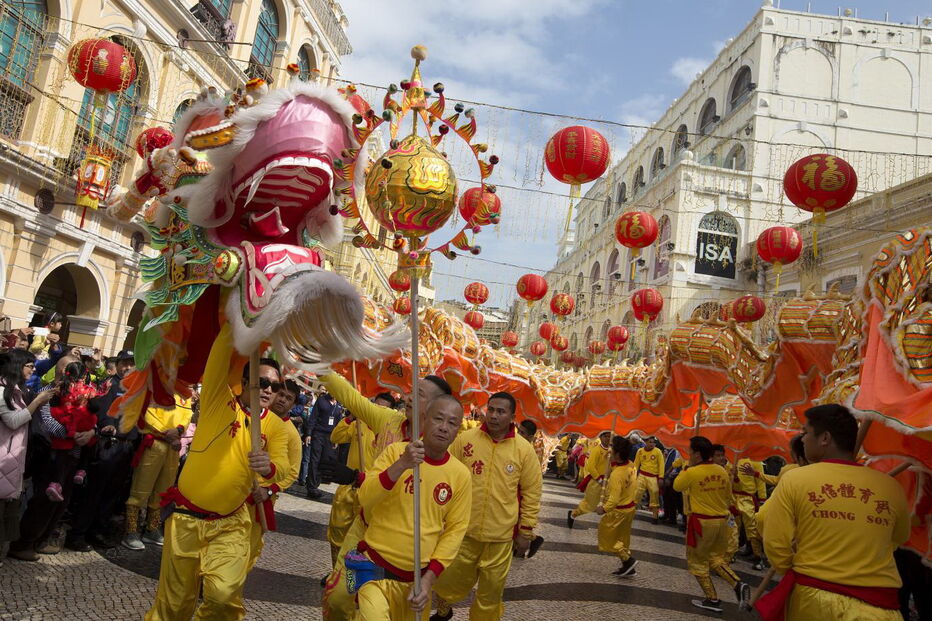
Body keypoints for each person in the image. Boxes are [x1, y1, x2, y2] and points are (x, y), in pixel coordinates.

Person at [144, 324, 293, 620]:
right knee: (173, 605)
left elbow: (284, 467)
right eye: (262, 381)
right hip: (186, 518)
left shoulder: (278, 426)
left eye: (275, 387)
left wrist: (270, 468)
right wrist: (240, 316)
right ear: (245, 380)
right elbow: (218, 356)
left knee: (224, 597)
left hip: (232, 523)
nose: (267, 390)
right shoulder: (217, 400)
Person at [317, 371, 453, 621]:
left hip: (405, 548)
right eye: (412, 391)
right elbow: (351, 398)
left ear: (437, 406)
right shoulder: (388, 420)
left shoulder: (442, 449)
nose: (410, 397)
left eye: (419, 394)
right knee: (339, 596)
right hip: (362, 535)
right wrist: (319, 365)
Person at [756, 404, 910, 621]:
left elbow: (775, 543)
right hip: (881, 610)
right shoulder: (891, 487)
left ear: (825, 438)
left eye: (806, 432)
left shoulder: (795, 479)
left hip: (815, 601)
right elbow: (898, 538)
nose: (802, 439)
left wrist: (795, 567)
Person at [348, 395, 471, 620]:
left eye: (452, 423)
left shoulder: (460, 475)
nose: (444, 428)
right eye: (438, 419)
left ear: (457, 430)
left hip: (416, 585)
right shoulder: (396, 452)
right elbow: (365, 497)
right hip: (374, 572)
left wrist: (429, 579)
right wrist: (402, 465)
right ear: (425, 420)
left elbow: (456, 531)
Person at [431, 392, 543, 621]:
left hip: (500, 539)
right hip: (463, 532)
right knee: (445, 580)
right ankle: (443, 611)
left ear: (512, 416)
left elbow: (532, 492)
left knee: (490, 594)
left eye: (500, 411)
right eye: (490, 409)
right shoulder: (465, 439)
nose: (493, 415)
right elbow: (445, 473)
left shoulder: (524, 450)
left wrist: (526, 531)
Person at [65, 350, 138, 551]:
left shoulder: (138, 387)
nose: (127, 367)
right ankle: (77, 534)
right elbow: (100, 409)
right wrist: (108, 425)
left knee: (111, 494)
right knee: (94, 492)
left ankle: (97, 530)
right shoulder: (110, 384)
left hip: (126, 447)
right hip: (108, 444)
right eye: (124, 363)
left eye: (131, 363)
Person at [673, 435, 750, 613]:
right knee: (716, 558)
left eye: (690, 452)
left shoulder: (692, 472)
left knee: (698, 562)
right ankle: (737, 583)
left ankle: (712, 598)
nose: (689, 455)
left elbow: (677, 486)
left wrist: (687, 468)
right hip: (721, 522)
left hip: (702, 523)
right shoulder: (722, 470)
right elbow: (727, 496)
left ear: (698, 455)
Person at [0, 350, 55, 565]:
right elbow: (14, 421)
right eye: (29, 365)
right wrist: (37, 402)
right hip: (4, 459)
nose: (33, 369)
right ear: (16, 366)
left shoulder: (16, 391)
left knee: (7, 511)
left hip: (12, 460)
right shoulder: (2, 390)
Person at [121, 394, 193, 550]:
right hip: (154, 444)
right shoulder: (154, 388)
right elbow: (147, 414)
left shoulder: (184, 394)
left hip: (173, 448)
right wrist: (168, 435)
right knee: (140, 489)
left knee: (163, 491)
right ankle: (130, 531)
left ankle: (152, 529)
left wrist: (179, 430)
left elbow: (187, 414)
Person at [326, 394, 385, 564]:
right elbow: (335, 437)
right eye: (375, 408)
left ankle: (351, 580)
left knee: (363, 540)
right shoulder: (359, 424)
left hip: (371, 494)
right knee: (337, 533)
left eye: (383, 410)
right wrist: (351, 417)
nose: (377, 412)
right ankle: (335, 573)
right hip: (348, 488)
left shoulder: (391, 435)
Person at [45, 361, 100, 502]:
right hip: (62, 436)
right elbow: (47, 421)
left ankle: (64, 480)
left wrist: (91, 432)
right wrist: (73, 434)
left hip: (75, 430)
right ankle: (66, 478)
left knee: (66, 482)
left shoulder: (66, 389)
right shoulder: (50, 391)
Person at [595, 434, 639, 577]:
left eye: (612, 448)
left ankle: (628, 560)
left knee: (607, 537)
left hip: (618, 511)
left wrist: (603, 509)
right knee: (622, 539)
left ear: (618, 454)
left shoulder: (617, 475)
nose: (610, 450)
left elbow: (613, 500)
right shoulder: (631, 465)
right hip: (629, 509)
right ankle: (628, 566)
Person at [567, 430, 612, 528]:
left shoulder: (611, 451)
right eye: (606, 436)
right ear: (601, 437)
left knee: (611, 503)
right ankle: (573, 514)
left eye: (610, 436)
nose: (608, 439)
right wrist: (599, 479)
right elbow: (591, 466)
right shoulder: (596, 450)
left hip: (608, 482)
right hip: (596, 482)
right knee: (589, 505)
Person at [305, 388, 343, 499]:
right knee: (314, 460)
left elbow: (338, 423)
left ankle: (316, 484)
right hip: (318, 434)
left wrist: (337, 439)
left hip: (330, 436)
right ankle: (311, 487)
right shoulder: (321, 400)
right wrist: (309, 434)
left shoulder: (339, 405)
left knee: (325, 461)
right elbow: (313, 417)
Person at [732, 454, 767, 569]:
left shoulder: (756, 460)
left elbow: (760, 481)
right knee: (732, 528)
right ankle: (731, 554)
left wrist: (762, 499)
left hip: (748, 499)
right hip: (733, 498)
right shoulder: (731, 459)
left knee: (752, 528)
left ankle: (758, 557)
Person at [740, 433, 808, 487]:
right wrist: (756, 474)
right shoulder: (816, 468)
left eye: (791, 450)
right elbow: (776, 480)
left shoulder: (789, 469)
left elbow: (776, 481)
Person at [711, 444, 740, 563]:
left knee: (732, 538)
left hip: (728, 511)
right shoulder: (706, 471)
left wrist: (736, 477)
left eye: (722, 455)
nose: (721, 458)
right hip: (712, 512)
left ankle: (725, 562)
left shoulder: (729, 470)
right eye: (718, 456)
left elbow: (737, 488)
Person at [633, 435, 665, 523]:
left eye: (653, 442)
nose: (652, 444)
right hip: (642, 475)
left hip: (653, 477)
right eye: (650, 442)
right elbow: (636, 464)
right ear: (645, 442)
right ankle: (630, 512)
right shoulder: (640, 451)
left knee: (654, 495)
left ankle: (655, 516)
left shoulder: (658, 451)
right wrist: (633, 475)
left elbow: (661, 465)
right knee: (636, 493)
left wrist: (661, 477)